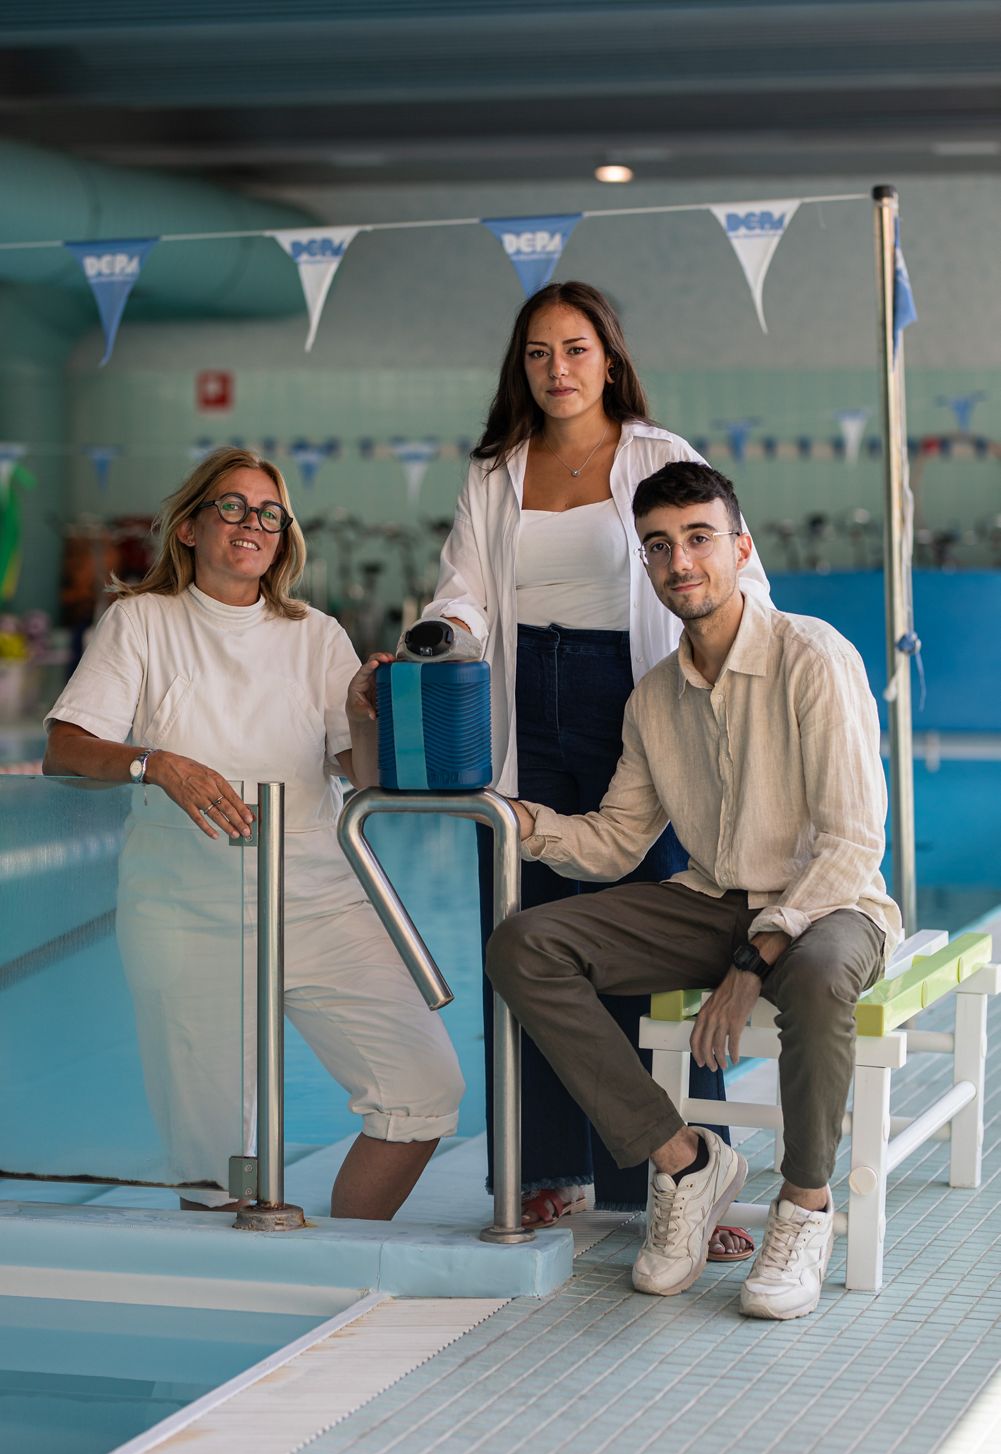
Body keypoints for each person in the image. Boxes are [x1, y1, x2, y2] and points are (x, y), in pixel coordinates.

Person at [486, 461, 901, 1318]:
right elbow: (613, 841)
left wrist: (752, 961)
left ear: (739, 548)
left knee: (818, 977)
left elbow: (853, 839)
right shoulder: (653, 701)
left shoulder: (812, 657)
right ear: (646, 565)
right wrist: (526, 823)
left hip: (833, 904)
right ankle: (682, 1159)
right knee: (527, 944)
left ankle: (805, 1206)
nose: (681, 562)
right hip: (711, 901)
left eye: (699, 539)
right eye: (660, 546)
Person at [422, 281, 769, 1252]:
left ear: (607, 358)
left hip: (640, 703)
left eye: (573, 350)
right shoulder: (496, 471)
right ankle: (545, 1172)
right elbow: (463, 594)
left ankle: (678, 1176)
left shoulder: (661, 457)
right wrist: (438, 635)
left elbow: (730, 572)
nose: (556, 370)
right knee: (531, 934)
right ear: (518, 368)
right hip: (522, 705)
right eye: (537, 354)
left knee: (651, 939)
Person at [43, 447, 464, 1219]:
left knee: (423, 1089)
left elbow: (361, 776)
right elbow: (66, 747)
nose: (252, 524)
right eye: (232, 507)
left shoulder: (315, 635)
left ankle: (341, 1260)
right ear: (192, 528)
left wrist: (371, 713)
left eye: (269, 513)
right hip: (184, 910)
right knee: (211, 1161)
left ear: (284, 536)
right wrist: (157, 763)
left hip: (317, 899)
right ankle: (236, 1276)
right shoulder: (143, 623)